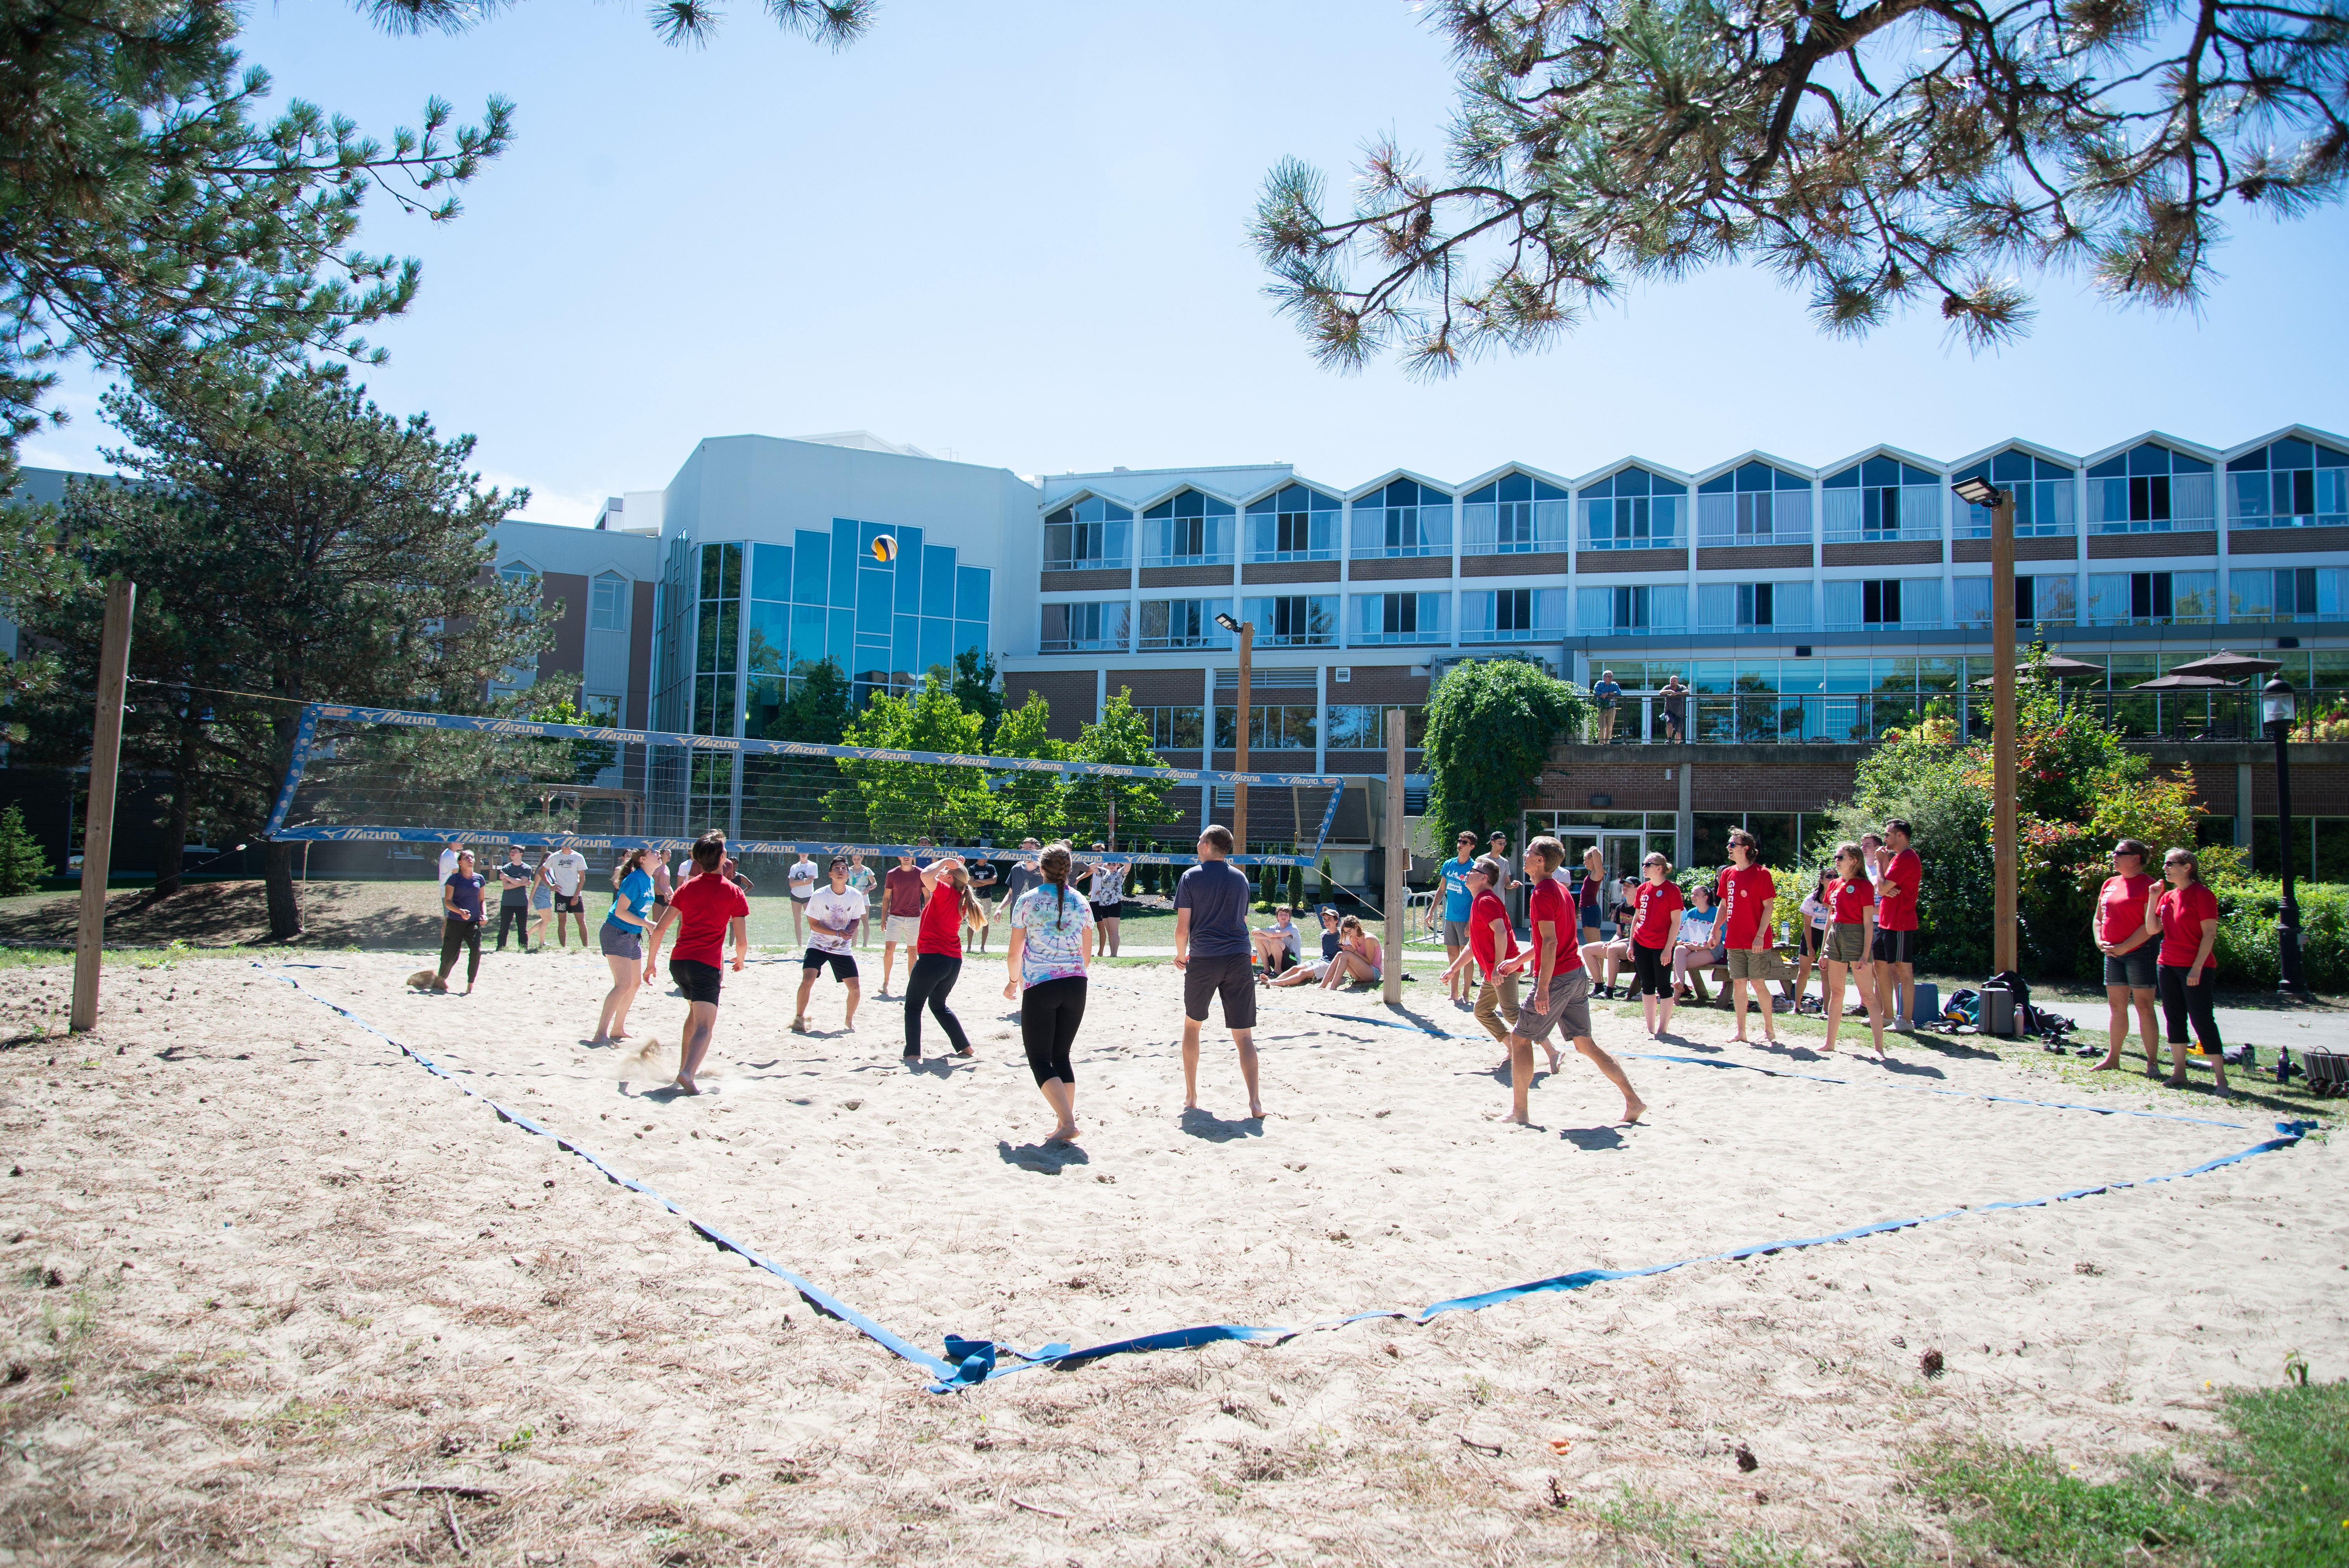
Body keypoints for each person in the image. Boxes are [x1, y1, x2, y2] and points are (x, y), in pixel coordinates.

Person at [1493, 836, 1644, 1125]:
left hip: (1559, 978)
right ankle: (1634, 1101)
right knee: (1585, 1044)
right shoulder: (1560, 890)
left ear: (1540, 861)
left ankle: (1520, 1113)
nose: (1524, 855)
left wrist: (1544, 988)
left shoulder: (1542, 893)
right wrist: (1517, 962)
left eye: (1530, 852)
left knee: (1520, 1039)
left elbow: (1550, 944)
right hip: (1575, 975)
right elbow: (1548, 941)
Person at [640, 832, 749, 1095]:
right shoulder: (733, 891)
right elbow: (742, 942)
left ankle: (684, 1065)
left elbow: (660, 929)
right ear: (723, 858)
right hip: (705, 965)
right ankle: (687, 1073)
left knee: (694, 1014)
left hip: (679, 963)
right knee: (705, 1026)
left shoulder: (686, 888)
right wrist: (740, 960)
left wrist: (651, 963)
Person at [1002, 842, 1095, 1144]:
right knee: (1061, 1056)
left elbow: (1015, 952)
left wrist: (1013, 982)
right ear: (1068, 869)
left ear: (1041, 869)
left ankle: (1068, 1122)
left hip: (1042, 984)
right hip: (1076, 984)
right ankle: (1063, 1123)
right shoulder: (1080, 900)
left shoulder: (1028, 900)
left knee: (1040, 1059)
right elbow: (1087, 954)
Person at [1173, 824, 1261, 1118]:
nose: (1197, 844)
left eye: (1200, 841)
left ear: (1208, 846)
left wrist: (1179, 955)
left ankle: (1191, 1095)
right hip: (1238, 957)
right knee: (1244, 1035)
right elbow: (1241, 919)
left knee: (1192, 1026)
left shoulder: (1191, 877)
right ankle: (1255, 1102)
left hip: (1205, 958)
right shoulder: (1240, 879)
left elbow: (1183, 928)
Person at [1438, 857, 1534, 1061]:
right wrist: (1453, 969)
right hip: (1495, 970)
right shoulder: (1479, 901)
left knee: (1511, 1014)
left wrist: (1499, 968)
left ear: (1483, 878)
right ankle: (1512, 1046)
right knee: (1482, 1011)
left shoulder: (1486, 900)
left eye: (1473, 871)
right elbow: (1474, 946)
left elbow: (1500, 933)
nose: (1468, 873)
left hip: (1504, 968)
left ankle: (1550, 1050)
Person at [2148, 846, 2227, 1092]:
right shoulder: (2168, 896)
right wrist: (2153, 898)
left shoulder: (2202, 895)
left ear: (2187, 867)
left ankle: (2221, 1080)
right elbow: (2152, 929)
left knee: (2202, 1020)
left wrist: (2196, 968)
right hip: (2167, 964)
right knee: (2175, 1018)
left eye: (2170, 864)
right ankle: (2179, 1073)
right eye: (2165, 864)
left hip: (2196, 967)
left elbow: (2210, 934)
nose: (2166, 868)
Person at [2090, 839, 2162, 1076]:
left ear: (2136, 859)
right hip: (2113, 954)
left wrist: (2125, 947)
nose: (2114, 856)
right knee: (2116, 1006)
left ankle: (2152, 1062)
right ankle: (2113, 1058)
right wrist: (2100, 940)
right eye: (2115, 852)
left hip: (2140, 952)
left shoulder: (2149, 886)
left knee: (2144, 1006)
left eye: (2120, 853)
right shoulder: (2110, 883)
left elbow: (2150, 927)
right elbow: (2099, 917)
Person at [904, 854, 984, 1062]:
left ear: (950, 880)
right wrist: (953, 868)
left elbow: (925, 875)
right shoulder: (959, 895)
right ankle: (965, 1048)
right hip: (953, 962)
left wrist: (947, 861)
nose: (940, 873)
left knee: (913, 1007)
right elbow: (939, 876)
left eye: (945, 873)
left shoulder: (948, 892)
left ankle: (912, 1054)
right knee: (938, 1005)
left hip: (934, 959)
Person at [1820, 841, 1888, 1060]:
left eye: (1841, 858)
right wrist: (1823, 951)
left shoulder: (1864, 886)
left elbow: (1869, 923)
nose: (1836, 862)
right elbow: (1830, 920)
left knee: (1867, 995)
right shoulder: (1834, 885)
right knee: (1836, 992)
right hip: (1835, 937)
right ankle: (1830, 1043)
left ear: (1854, 860)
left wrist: (1865, 954)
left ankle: (1879, 1048)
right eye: (1836, 858)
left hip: (1856, 936)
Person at [1716, 829, 1779, 1045]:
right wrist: (1715, 930)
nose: (1729, 847)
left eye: (1733, 844)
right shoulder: (1727, 874)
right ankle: (1741, 1032)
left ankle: (1769, 1031)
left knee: (1759, 984)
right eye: (1729, 844)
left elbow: (1769, 907)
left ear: (1746, 849)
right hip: (1734, 938)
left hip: (1756, 940)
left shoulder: (1762, 873)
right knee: (1739, 984)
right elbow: (1724, 905)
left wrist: (1760, 935)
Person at [790, 856, 864, 1035]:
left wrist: (849, 931)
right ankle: (799, 1018)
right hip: (818, 945)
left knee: (854, 988)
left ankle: (849, 1021)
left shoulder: (855, 895)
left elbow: (856, 919)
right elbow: (814, 924)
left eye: (844, 869)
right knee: (808, 980)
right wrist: (838, 932)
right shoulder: (819, 895)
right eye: (837, 868)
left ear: (848, 875)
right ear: (830, 874)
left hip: (841, 948)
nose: (841, 871)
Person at [594, 846, 658, 1043]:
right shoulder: (634, 879)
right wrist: (646, 924)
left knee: (635, 983)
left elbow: (638, 909)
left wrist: (644, 923)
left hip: (632, 934)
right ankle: (600, 1034)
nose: (658, 853)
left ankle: (618, 1029)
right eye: (653, 852)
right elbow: (620, 912)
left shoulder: (650, 879)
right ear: (642, 860)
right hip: (616, 932)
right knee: (623, 984)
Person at [1627, 852, 1684, 1038]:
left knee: (1664, 986)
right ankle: (1650, 1027)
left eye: (1648, 864)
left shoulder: (1672, 890)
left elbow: (1676, 922)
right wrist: (1631, 945)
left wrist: (1669, 948)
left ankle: (1663, 1028)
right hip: (1642, 942)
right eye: (1643, 863)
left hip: (1662, 945)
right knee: (1647, 985)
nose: (1644, 867)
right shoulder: (1643, 889)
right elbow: (1636, 918)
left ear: (1660, 868)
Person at [1873, 818, 1921, 1030]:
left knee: (1903, 970)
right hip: (1886, 922)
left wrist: (1878, 864)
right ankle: (1888, 1016)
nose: (1885, 839)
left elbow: (1882, 888)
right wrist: (1884, 866)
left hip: (1901, 922)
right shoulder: (1897, 859)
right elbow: (1881, 887)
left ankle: (1907, 1021)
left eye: (1888, 834)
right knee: (1880, 967)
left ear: (1900, 835)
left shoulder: (1908, 858)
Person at [1433, 831, 1480, 1005]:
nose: (1460, 844)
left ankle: (1466, 994)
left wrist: (1470, 922)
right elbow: (1442, 888)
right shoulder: (1449, 864)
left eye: (1465, 842)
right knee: (1453, 957)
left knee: (1466, 957)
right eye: (1459, 841)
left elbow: (1477, 897)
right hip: (1450, 917)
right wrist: (1432, 910)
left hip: (1466, 918)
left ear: (1472, 847)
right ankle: (1454, 994)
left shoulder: (1475, 868)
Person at [433, 848, 486, 994]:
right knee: (450, 956)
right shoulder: (454, 879)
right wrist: (460, 912)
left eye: (472, 857)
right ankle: (440, 979)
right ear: (459, 862)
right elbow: (448, 902)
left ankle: (470, 985)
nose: (470, 859)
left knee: (476, 951)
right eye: (466, 857)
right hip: (456, 922)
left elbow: (482, 901)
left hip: (473, 922)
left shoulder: (479, 879)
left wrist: (484, 915)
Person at [879, 849, 926, 995]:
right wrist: (883, 919)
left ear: (913, 857)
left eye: (909, 854)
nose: (906, 857)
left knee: (913, 951)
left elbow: (927, 895)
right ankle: (886, 983)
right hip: (895, 916)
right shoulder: (892, 874)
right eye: (903, 854)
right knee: (889, 951)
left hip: (914, 917)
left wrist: (926, 916)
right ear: (899, 857)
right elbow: (887, 898)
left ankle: (912, 986)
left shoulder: (920, 873)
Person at [987, 840, 1044, 955]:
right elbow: (1011, 895)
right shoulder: (1016, 869)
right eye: (1024, 849)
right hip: (1018, 918)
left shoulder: (1044, 871)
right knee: (1017, 954)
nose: (1027, 852)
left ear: (1037, 851)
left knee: (1035, 953)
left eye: (1030, 850)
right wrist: (999, 908)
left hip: (1038, 920)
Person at [1668, 883, 1721, 1002]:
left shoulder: (1716, 913)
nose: (1693, 896)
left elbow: (1716, 942)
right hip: (1694, 946)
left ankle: (1676, 999)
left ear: (1706, 898)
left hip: (1712, 949)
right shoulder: (1691, 913)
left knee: (1679, 963)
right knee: (1679, 950)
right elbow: (1686, 936)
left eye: (1697, 894)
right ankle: (1680, 984)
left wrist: (1693, 946)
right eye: (1692, 894)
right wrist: (1681, 942)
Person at [1789, 868, 1832, 1014]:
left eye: (1835, 876)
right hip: (1812, 934)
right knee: (1804, 972)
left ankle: (1826, 1010)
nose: (1832, 879)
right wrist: (1810, 948)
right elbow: (1807, 926)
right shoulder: (1811, 899)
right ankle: (1797, 1006)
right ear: (1821, 880)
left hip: (1829, 935)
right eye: (1829, 876)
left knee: (1826, 974)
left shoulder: (1838, 898)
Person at [1269, 907, 1344, 987]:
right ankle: (1273, 981)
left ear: (1336, 921)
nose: (1326, 921)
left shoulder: (1342, 935)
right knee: (1296, 969)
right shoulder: (1323, 935)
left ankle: (1276, 983)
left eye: (1329, 919)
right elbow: (1325, 952)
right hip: (1321, 960)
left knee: (1303, 973)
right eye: (1325, 919)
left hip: (1330, 964)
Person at [1080, 845, 1127, 957]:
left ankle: (1114, 954)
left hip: (1115, 904)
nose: (1111, 866)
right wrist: (1104, 859)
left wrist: (1116, 858)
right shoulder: (1104, 872)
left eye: (1114, 864)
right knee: (1109, 930)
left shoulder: (1120, 873)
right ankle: (1109, 954)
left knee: (1114, 930)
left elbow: (1129, 865)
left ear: (1118, 865)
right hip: (1103, 904)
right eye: (1110, 864)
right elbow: (1092, 867)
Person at [544, 838, 590, 949]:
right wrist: (550, 885)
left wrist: (576, 896)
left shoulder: (578, 857)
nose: (567, 845)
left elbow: (583, 878)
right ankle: (562, 947)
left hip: (575, 895)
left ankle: (585, 947)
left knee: (581, 921)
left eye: (569, 842)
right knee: (562, 921)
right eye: (564, 842)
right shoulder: (554, 857)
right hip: (561, 894)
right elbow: (542, 871)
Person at [1320, 914, 1383, 989]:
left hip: (1373, 973)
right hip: (1361, 975)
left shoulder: (1368, 938)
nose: (1348, 935)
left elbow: (1369, 962)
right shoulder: (1353, 938)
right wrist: (1347, 951)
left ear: (1356, 927)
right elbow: (1355, 958)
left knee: (1346, 955)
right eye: (1346, 933)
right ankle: (1323, 985)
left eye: (1349, 932)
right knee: (1340, 954)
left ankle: (1333, 986)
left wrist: (1353, 951)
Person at [494, 845, 534, 952]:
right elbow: (506, 887)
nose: (512, 854)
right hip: (507, 903)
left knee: (522, 929)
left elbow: (521, 882)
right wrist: (523, 883)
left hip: (522, 903)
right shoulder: (506, 868)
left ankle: (523, 948)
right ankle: (501, 948)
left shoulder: (527, 868)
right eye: (511, 852)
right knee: (504, 928)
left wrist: (507, 877)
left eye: (515, 852)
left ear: (521, 854)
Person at [1252, 904, 1303, 977]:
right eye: (1281, 914)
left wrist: (1262, 931)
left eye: (1286, 914)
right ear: (1277, 917)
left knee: (1275, 941)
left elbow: (1274, 934)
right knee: (1260, 939)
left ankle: (1278, 970)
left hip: (1292, 961)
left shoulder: (1293, 928)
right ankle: (1267, 969)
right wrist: (1269, 938)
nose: (1284, 917)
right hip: (1278, 960)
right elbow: (1256, 935)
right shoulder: (1276, 927)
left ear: (1289, 918)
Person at [1574, 845, 1606, 948]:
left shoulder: (1597, 874)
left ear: (1592, 860)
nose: (1584, 863)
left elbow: (1596, 852)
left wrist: (1593, 850)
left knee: (1593, 946)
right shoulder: (1593, 874)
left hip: (1590, 910)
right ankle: (1599, 965)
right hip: (1591, 910)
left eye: (1585, 860)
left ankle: (1596, 964)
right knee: (1597, 946)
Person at [845, 850, 877, 949]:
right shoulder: (849, 870)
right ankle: (854, 944)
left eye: (858, 859)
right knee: (853, 921)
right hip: (852, 896)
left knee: (865, 921)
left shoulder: (867, 870)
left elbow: (875, 883)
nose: (856, 861)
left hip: (863, 896)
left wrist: (869, 888)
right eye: (854, 859)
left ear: (862, 858)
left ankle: (865, 944)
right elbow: (844, 882)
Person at [785, 851, 818, 945]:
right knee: (797, 921)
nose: (804, 854)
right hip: (796, 896)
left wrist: (798, 882)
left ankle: (813, 944)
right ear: (799, 854)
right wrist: (804, 880)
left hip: (808, 896)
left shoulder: (813, 865)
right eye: (802, 852)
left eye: (806, 852)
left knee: (811, 921)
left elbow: (810, 881)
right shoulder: (795, 867)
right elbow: (791, 883)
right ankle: (799, 944)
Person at [529, 852, 556, 946]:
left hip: (547, 894)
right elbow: (535, 886)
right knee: (545, 919)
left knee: (547, 919)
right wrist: (530, 900)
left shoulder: (551, 870)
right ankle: (542, 943)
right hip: (540, 895)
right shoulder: (540, 870)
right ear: (545, 860)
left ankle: (527, 935)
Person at [1590, 670, 1622, 742]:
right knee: (1602, 727)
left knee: (1610, 727)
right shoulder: (1599, 683)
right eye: (1609, 677)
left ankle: (1607, 743)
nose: (1610, 678)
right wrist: (1603, 694)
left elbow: (1619, 693)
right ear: (1604, 678)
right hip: (1602, 708)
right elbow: (1595, 692)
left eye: (1611, 677)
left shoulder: (1614, 684)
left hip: (1612, 708)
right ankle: (1601, 743)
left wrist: (1609, 694)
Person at [1659, 675, 1688, 743]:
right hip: (1669, 711)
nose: (1672, 683)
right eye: (1671, 681)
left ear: (1678, 682)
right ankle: (1669, 739)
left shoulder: (1681, 687)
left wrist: (1678, 693)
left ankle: (1677, 746)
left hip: (1680, 713)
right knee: (1669, 722)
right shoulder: (1668, 687)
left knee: (1679, 731)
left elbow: (1687, 692)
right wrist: (1670, 691)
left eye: (1674, 681)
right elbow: (1661, 692)